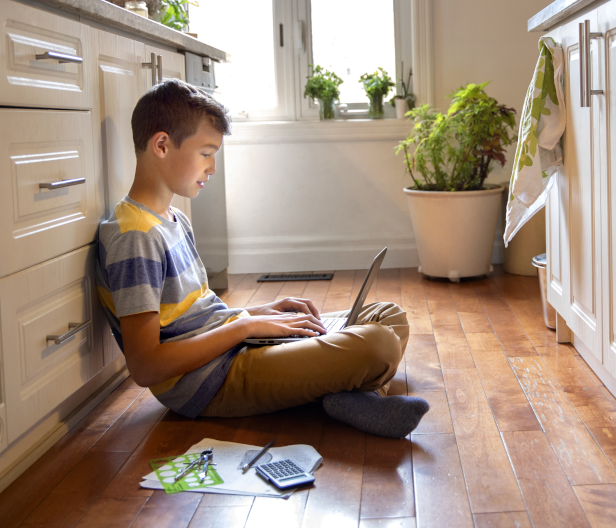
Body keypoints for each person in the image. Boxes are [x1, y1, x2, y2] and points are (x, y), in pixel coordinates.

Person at [95, 79, 428, 438]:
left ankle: (349, 398)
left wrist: (261, 312)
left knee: (390, 317)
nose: (212, 168)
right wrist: (245, 327)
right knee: (379, 345)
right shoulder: (135, 238)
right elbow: (145, 367)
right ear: (162, 144)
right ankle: (355, 394)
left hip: (232, 348)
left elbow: (198, 316)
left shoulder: (174, 220)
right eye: (206, 153)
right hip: (210, 381)